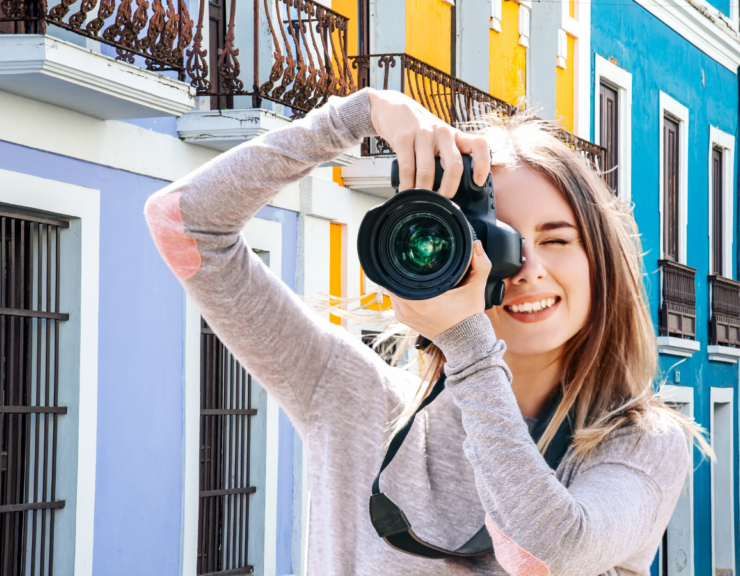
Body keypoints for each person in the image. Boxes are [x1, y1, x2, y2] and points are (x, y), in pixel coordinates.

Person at [145, 88, 698, 575]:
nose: (527, 266)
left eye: (556, 239)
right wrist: (357, 114)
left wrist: (466, 343)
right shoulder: (354, 400)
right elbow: (183, 221)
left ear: (601, 260)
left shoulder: (640, 442)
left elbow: (545, 554)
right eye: (493, 241)